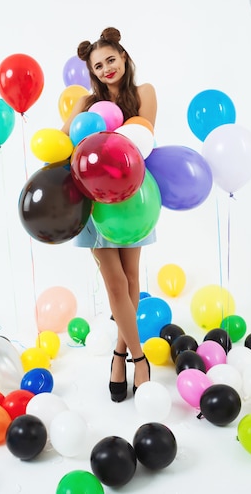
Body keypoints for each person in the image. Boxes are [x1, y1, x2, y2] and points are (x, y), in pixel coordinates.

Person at [62, 27, 157, 402]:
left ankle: (119, 353)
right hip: (96, 202)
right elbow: (66, 143)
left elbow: (144, 135)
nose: (106, 69)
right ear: (93, 73)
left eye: (110, 60)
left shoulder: (144, 93)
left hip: (134, 200)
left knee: (132, 278)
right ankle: (139, 357)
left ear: (124, 58)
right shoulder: (86, 104)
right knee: (116, 283)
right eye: (98, 66)